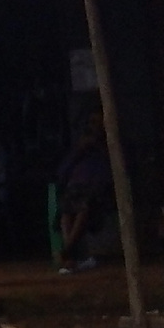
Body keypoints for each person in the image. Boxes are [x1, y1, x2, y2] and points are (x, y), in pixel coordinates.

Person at [56, 110, 113, 272]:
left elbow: (111, 172)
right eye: (91, 123)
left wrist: (100, 149)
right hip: (75, 189)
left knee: (83, 207)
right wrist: (79, 151)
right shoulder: (80, 149)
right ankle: (70, 255)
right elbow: (61, 172)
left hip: (96, 190)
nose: (93, 127)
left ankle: (67, 252)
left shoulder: (110, 147)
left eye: (97, 123)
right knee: (66, 210)